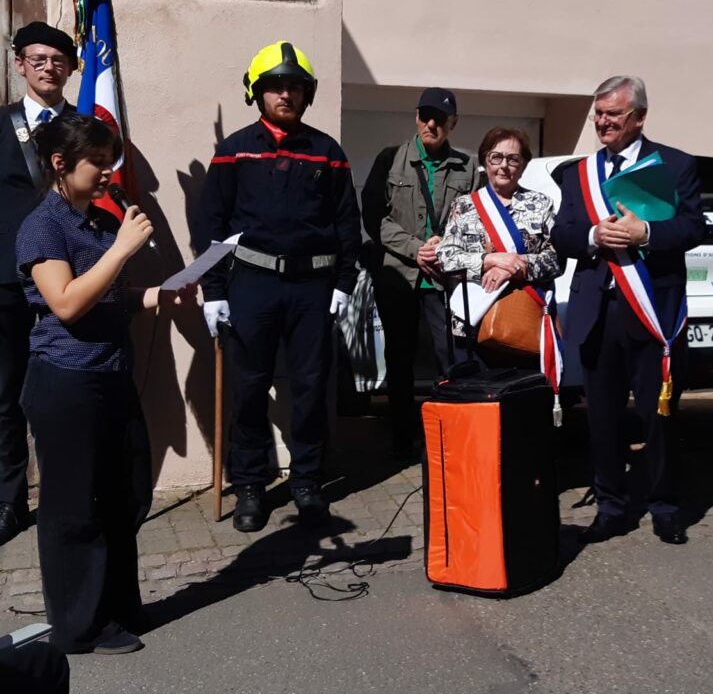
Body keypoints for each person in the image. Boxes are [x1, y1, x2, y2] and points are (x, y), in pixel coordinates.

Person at [17, 113, 193, 653]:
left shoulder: (95, 221)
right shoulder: (41, 227)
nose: (107, 173)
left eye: (109, 161)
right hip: (67, 381)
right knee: (75, 508)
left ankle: (115, 605)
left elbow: (106, 295)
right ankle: (80, 627)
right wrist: (121, 250)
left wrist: (157, 295)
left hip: (111, 373)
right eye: (97, 162)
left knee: (128, 493)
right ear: (60, 163)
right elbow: (67, 303)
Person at [200, 41, 360, 532]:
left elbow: (347, 223)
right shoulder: (234, 151)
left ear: (307, 94)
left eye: (295, 86)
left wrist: (344, 282)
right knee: (248, 388)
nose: (285, 95)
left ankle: (308, 481)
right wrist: (214, 290)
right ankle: (250, 485)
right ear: (257, 92)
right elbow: (212, 223)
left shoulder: (328, 152)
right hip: (252, 285)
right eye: (275, 86)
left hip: (313, 289)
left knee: (311, 389)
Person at [551, 75, 705, 545]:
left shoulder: (674, 165)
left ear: (639, 117)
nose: (603, 122)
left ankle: (664, 506)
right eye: (598, 114)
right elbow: (562, 233)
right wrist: (593, 236)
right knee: (603, 417)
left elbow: (693, 228)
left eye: (613, 114)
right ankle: (612, 506)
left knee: (658, 416)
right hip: (599, 310)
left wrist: (647, 234)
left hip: (652, 310)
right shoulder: (577, 173)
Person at [361, 88, 478, 454]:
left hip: (444, 277)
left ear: (453, 123)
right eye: (425, 116)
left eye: (439, 119)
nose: (431, 124)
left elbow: (474, 218)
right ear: (416, 116)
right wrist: (416, 249)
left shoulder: (468, 167)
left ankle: (448, 435)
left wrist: (442, 249)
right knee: (400, 357)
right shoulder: (389, 159)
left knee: (449, 355)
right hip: (399, 274)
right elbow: (373, 217)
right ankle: (402, 437)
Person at [0, 22, 77, 546]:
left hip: (68, 282)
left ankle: (68, 494)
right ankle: (9, 499)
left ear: (70, 69)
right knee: (4, 395)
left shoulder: (87, 127)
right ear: (20, 65)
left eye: (58, 60)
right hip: (6, 282)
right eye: (38, 59)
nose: (48, 67)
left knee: (65, 392)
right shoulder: (1, 124)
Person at [435, 127, 560, 363]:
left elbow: (556, 259)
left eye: (513, 159)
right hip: (470, 323)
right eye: (496, 157)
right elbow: (445, 257)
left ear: (523, 166)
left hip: (523, 321)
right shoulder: (464, 205)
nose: (504, 166)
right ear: (485, 161)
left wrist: (515, 267)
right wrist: (489, 260)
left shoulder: (541, 204)